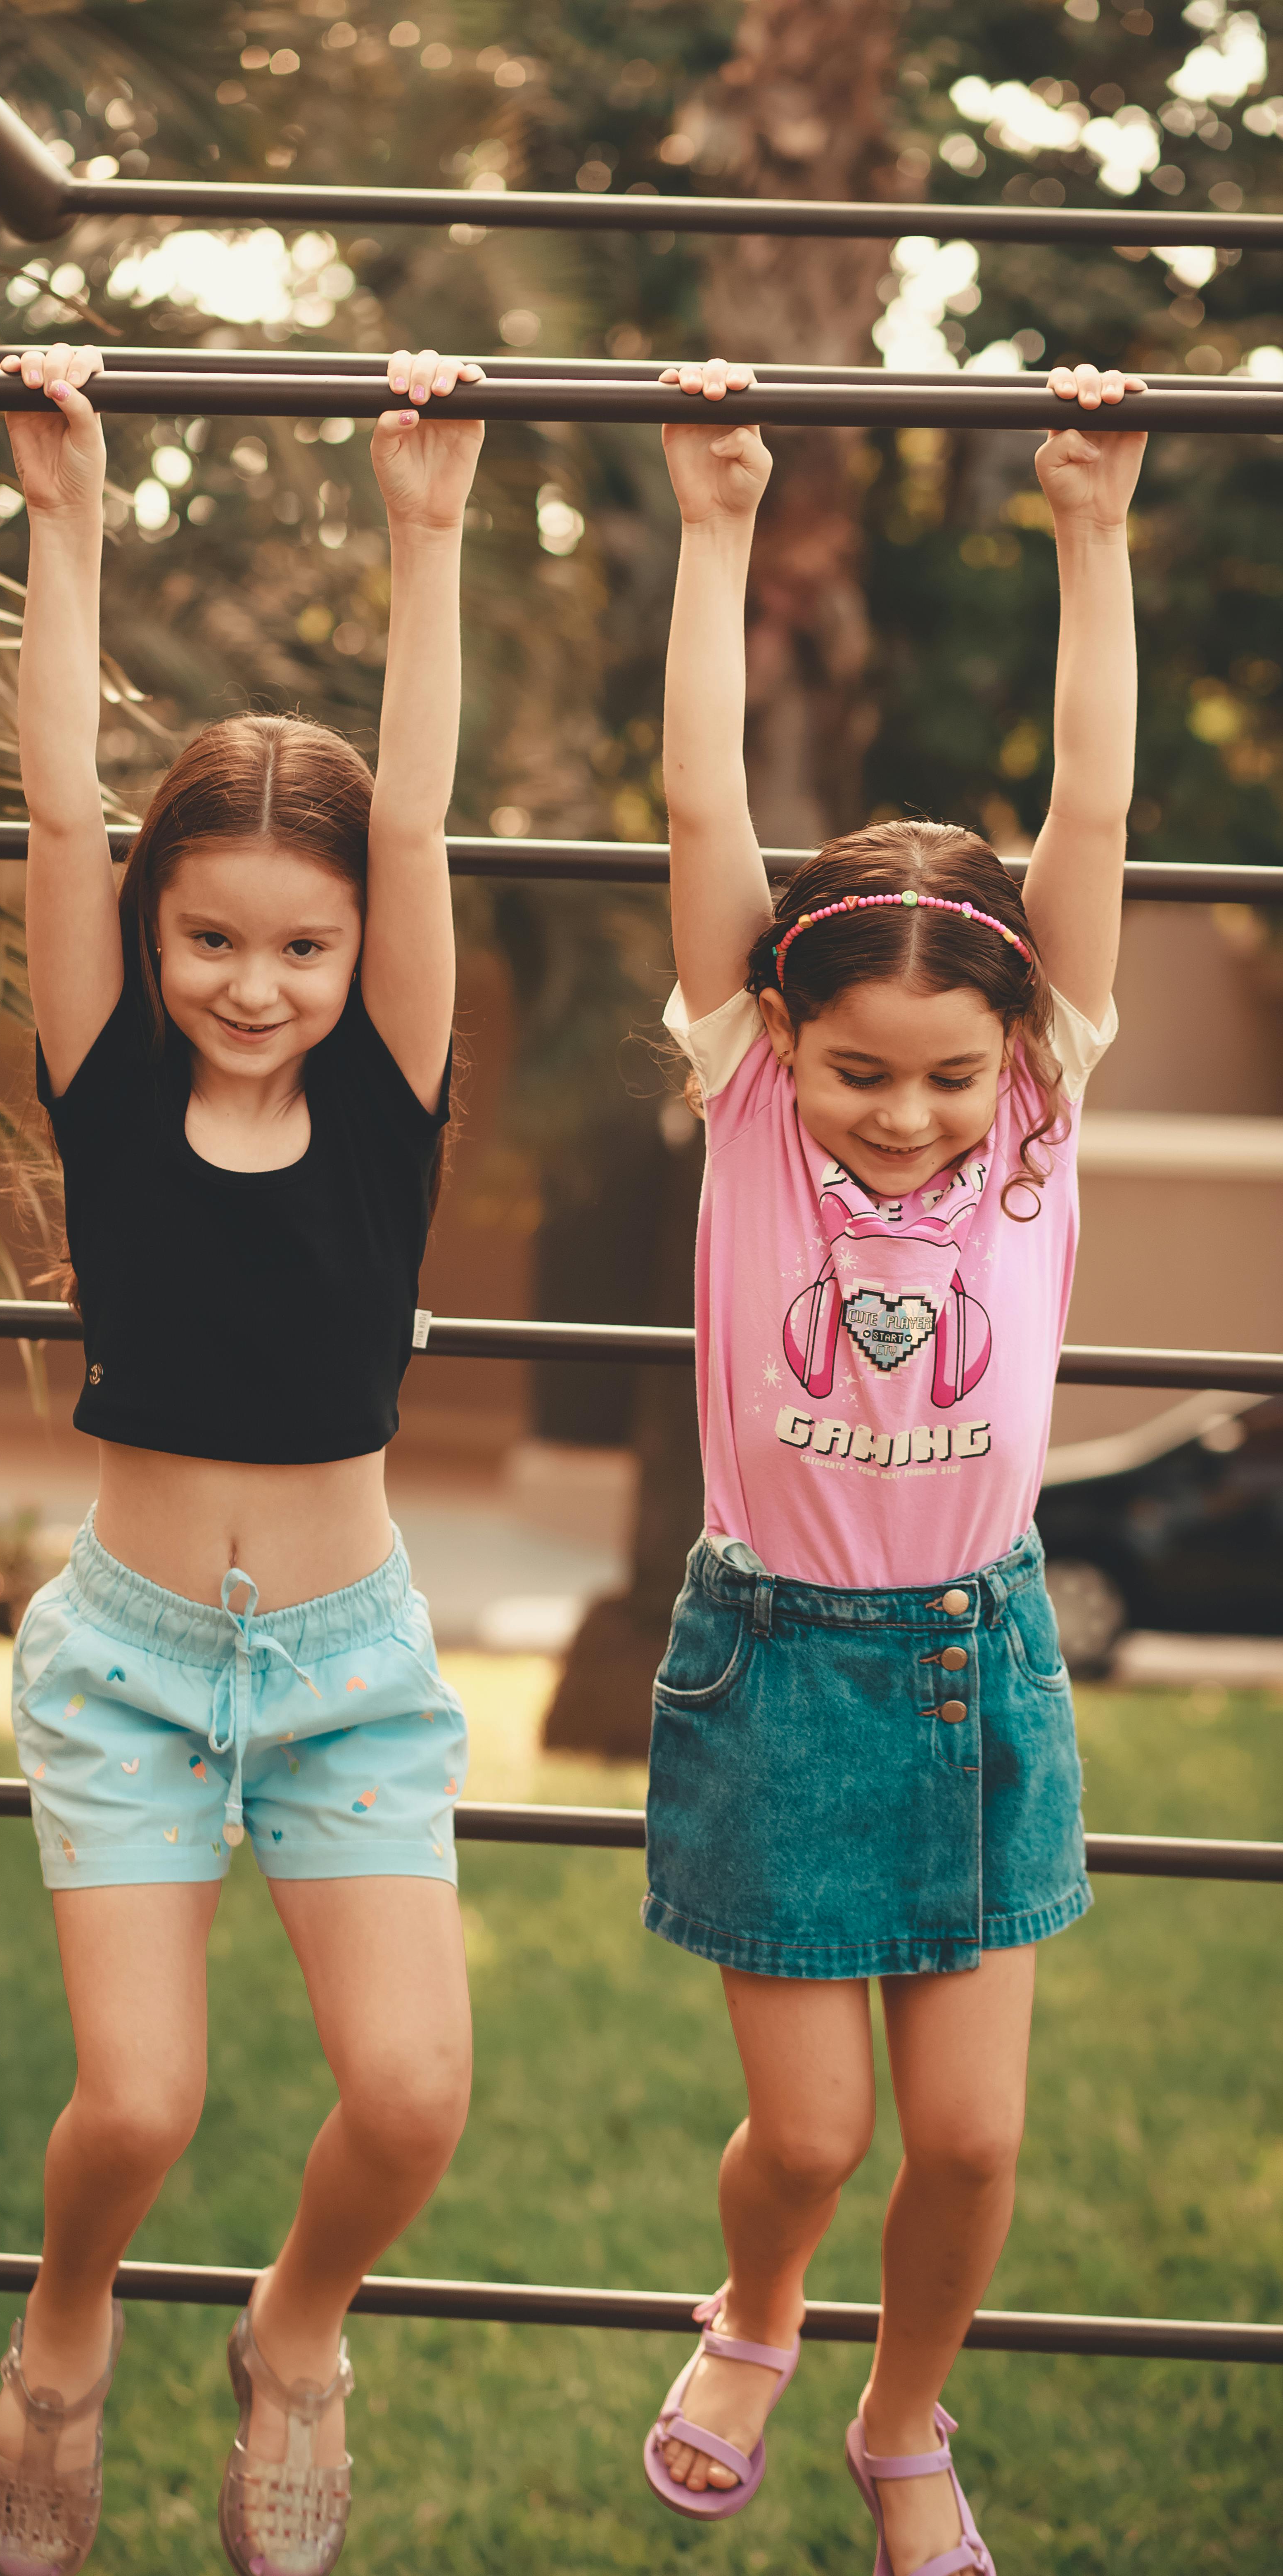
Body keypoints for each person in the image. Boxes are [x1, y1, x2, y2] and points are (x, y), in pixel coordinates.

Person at [0, 341, 486, 2576]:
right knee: (143, 2103)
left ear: (360, 954)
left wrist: (430, 524)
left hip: (354, 1666)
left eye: (298, 946)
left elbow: (415, 815)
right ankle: (67, 2329)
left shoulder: (388, 1085)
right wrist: (66, 513)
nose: (257, 983)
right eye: (210, 939)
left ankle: (296, 2335)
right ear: (150, 936)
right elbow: (63, 815)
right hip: (134, 1662)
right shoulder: (101, 1071)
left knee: (412, 2097)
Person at [638, 355, 1145, 2576]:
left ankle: (904, 2425)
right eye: (868, 1071)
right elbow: (692, 827)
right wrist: (718, 524)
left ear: (1015, 1056)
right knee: (814, 2133)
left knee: (971, 2141)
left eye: (947, 1073)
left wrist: (1095, 532)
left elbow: (1097, 834)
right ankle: (753, 2306)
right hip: (779, 1656)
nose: (912, 1111)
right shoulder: (750, 1095)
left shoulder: (1041, 1098)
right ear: (785, 1041)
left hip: (976, 1654)